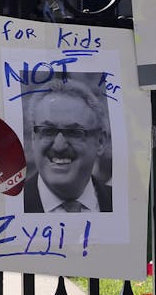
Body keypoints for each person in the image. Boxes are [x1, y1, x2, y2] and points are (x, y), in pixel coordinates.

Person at [20, 75, 113, 214]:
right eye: (48, 131)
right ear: (34, 138)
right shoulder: (7, 205)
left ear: (100, 141)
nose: (59, 146)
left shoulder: (125, 205)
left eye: (74, 132)